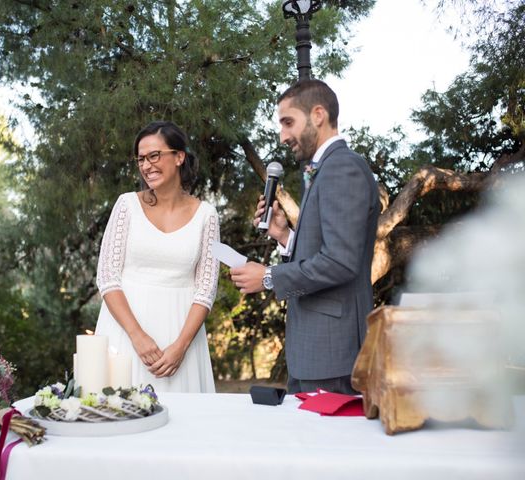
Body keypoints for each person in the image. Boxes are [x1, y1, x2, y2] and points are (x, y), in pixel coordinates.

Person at [230, 79, 380, 395]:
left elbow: (340, 262)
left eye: (288, 123)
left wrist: (268, 277)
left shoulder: (342, 168)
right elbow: (326, 249)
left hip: (334, 355)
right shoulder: (325, 169)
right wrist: (284, 236)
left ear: (318, 115)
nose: (283, 136)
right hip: (316, 352)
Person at [95, 121, 219, 393]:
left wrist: (181, 346)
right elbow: (107, 276)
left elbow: (206, 288)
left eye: (154, 156)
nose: (146, 165)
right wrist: (137, 337)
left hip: (181, 336)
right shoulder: (126, 205)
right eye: (141, 159)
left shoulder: (206, 215)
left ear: (179, 156)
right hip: (125, 333)